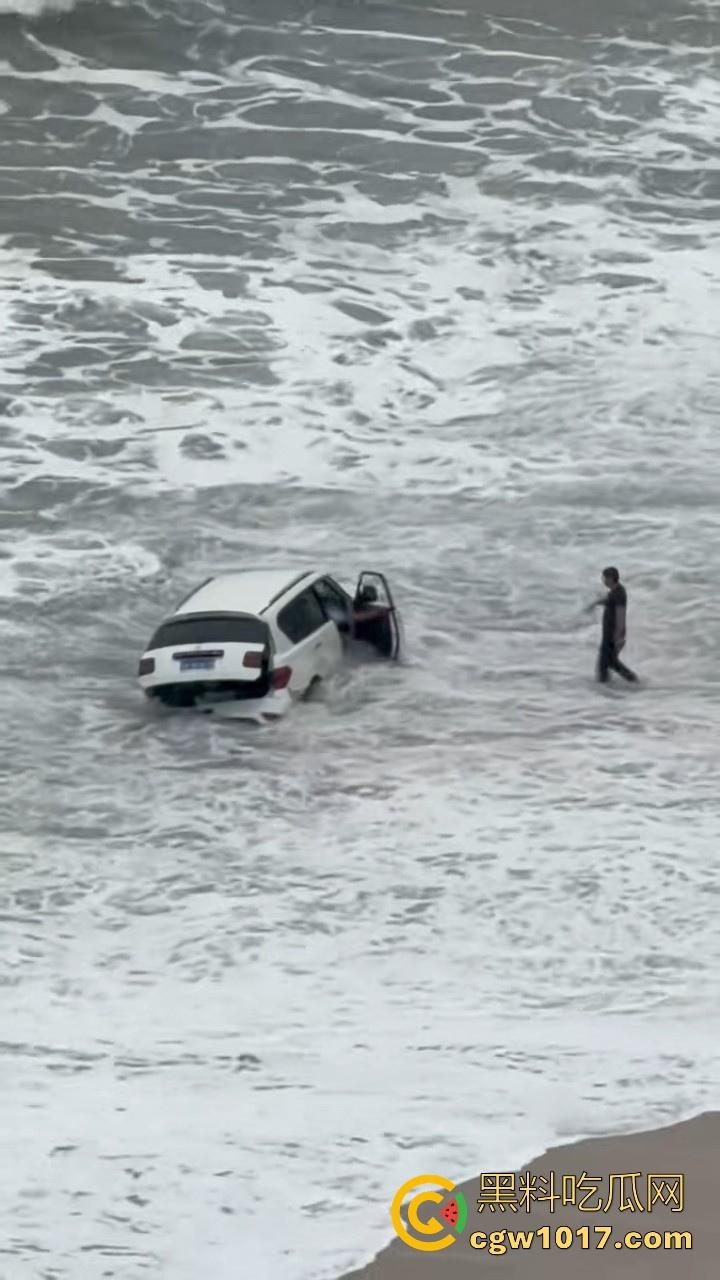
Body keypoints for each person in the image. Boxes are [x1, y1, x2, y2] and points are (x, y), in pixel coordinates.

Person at [587, 567, 638, 684]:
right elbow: (609, 600)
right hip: (609, 635)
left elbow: (620, 614)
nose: (603, 580)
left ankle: (632, 681)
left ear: (610, 579)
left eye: (604, 578)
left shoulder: (619, 593)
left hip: (612, 636)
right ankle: (629, 683)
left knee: (605, 664)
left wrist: (618, 637)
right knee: (609, 663)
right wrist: (596, 603)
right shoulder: (615, 591)